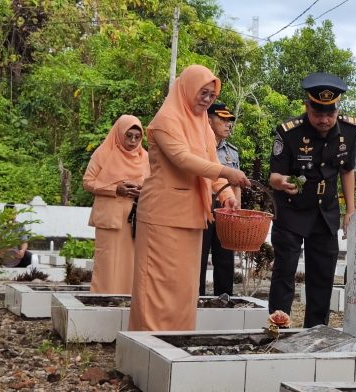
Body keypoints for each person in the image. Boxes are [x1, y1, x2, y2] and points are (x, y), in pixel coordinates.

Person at [128, 65, 250, 332]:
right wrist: (227, 172)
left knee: (184, 288)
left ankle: (177, 343)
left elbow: (210, 160)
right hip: (162, 216)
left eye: (211, 94)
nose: (207, 98)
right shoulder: (166, 120)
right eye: (202, 92)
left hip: (193, 216)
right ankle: (148, 345)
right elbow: (183, 160)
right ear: (186, 89)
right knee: (157, 287)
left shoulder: (203, 125)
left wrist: (226, 193)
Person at [268, 72, 356, 327]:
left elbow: (346, 169)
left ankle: (316, 331)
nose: (324, 120)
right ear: (306, 105)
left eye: (330, 113)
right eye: (318, 113)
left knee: (322, 275)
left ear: (337, 108)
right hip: (291, 211)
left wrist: (350, 209)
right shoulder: (289, 132)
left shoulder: (349, 131)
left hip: (325, 213)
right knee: (285, 271)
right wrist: (281, 182)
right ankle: (277, 327)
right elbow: (274, 174)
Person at [83, 115, 150, 294]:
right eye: (129, 136)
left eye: (137, 136)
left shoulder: (146, 158)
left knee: (132, 263)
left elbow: (155, 185)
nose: (133, 141)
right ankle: (103, 300)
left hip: (136, 219)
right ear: (119, 133)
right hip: (109, 218)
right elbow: (88, 182)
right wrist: (115, 189)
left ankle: (128, 302)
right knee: (107, 263)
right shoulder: (103, 153)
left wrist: (142, 191)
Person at [199, 103, 239, 296]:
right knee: (199, 255)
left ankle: (225, 300)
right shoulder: (198, 146)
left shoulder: (232, 152)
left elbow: (236, 184)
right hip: (202, 205)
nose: (227, 124)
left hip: (225, 208)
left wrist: (236, 213)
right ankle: (196, 299)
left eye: (229, 120)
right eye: (222, 119)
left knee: (225, 257)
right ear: (208, 120)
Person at [0, 203, 35, 269]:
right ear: (4, 213)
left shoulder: (20, 226)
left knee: (29, 257)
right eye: (9, 212)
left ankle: (15, 266)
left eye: (14, 212)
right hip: (1, 254)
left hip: (15, 255)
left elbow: (24, 242)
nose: (12, 214)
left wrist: (22, 251)